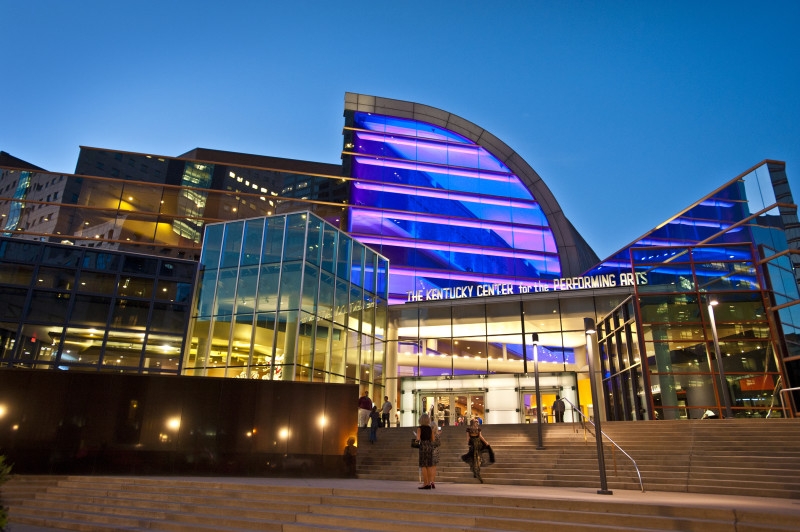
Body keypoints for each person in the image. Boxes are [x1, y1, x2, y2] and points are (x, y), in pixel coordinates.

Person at [463, 418, 490, 483]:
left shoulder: (473, 429)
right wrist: (486, 442)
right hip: (475, 443)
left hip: (475, 444)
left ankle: (476, 471)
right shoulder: (473, 429)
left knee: (476, 457)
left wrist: (485, 442)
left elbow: (477, 437)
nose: (477, 423)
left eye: (477, 422)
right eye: (476, 422)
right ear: (473, 423)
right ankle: (476, 471)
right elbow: (470, 437)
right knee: (475, 457)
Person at [416, 413, 437, 489]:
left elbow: (418, 439)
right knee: (429, 465)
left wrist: (417, 438)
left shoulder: (419, 428)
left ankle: (425, 483)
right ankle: (429, 482)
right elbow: (433, 439)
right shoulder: (430, 428)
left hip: (423, 446)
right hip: (429, 446)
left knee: (423, 465)